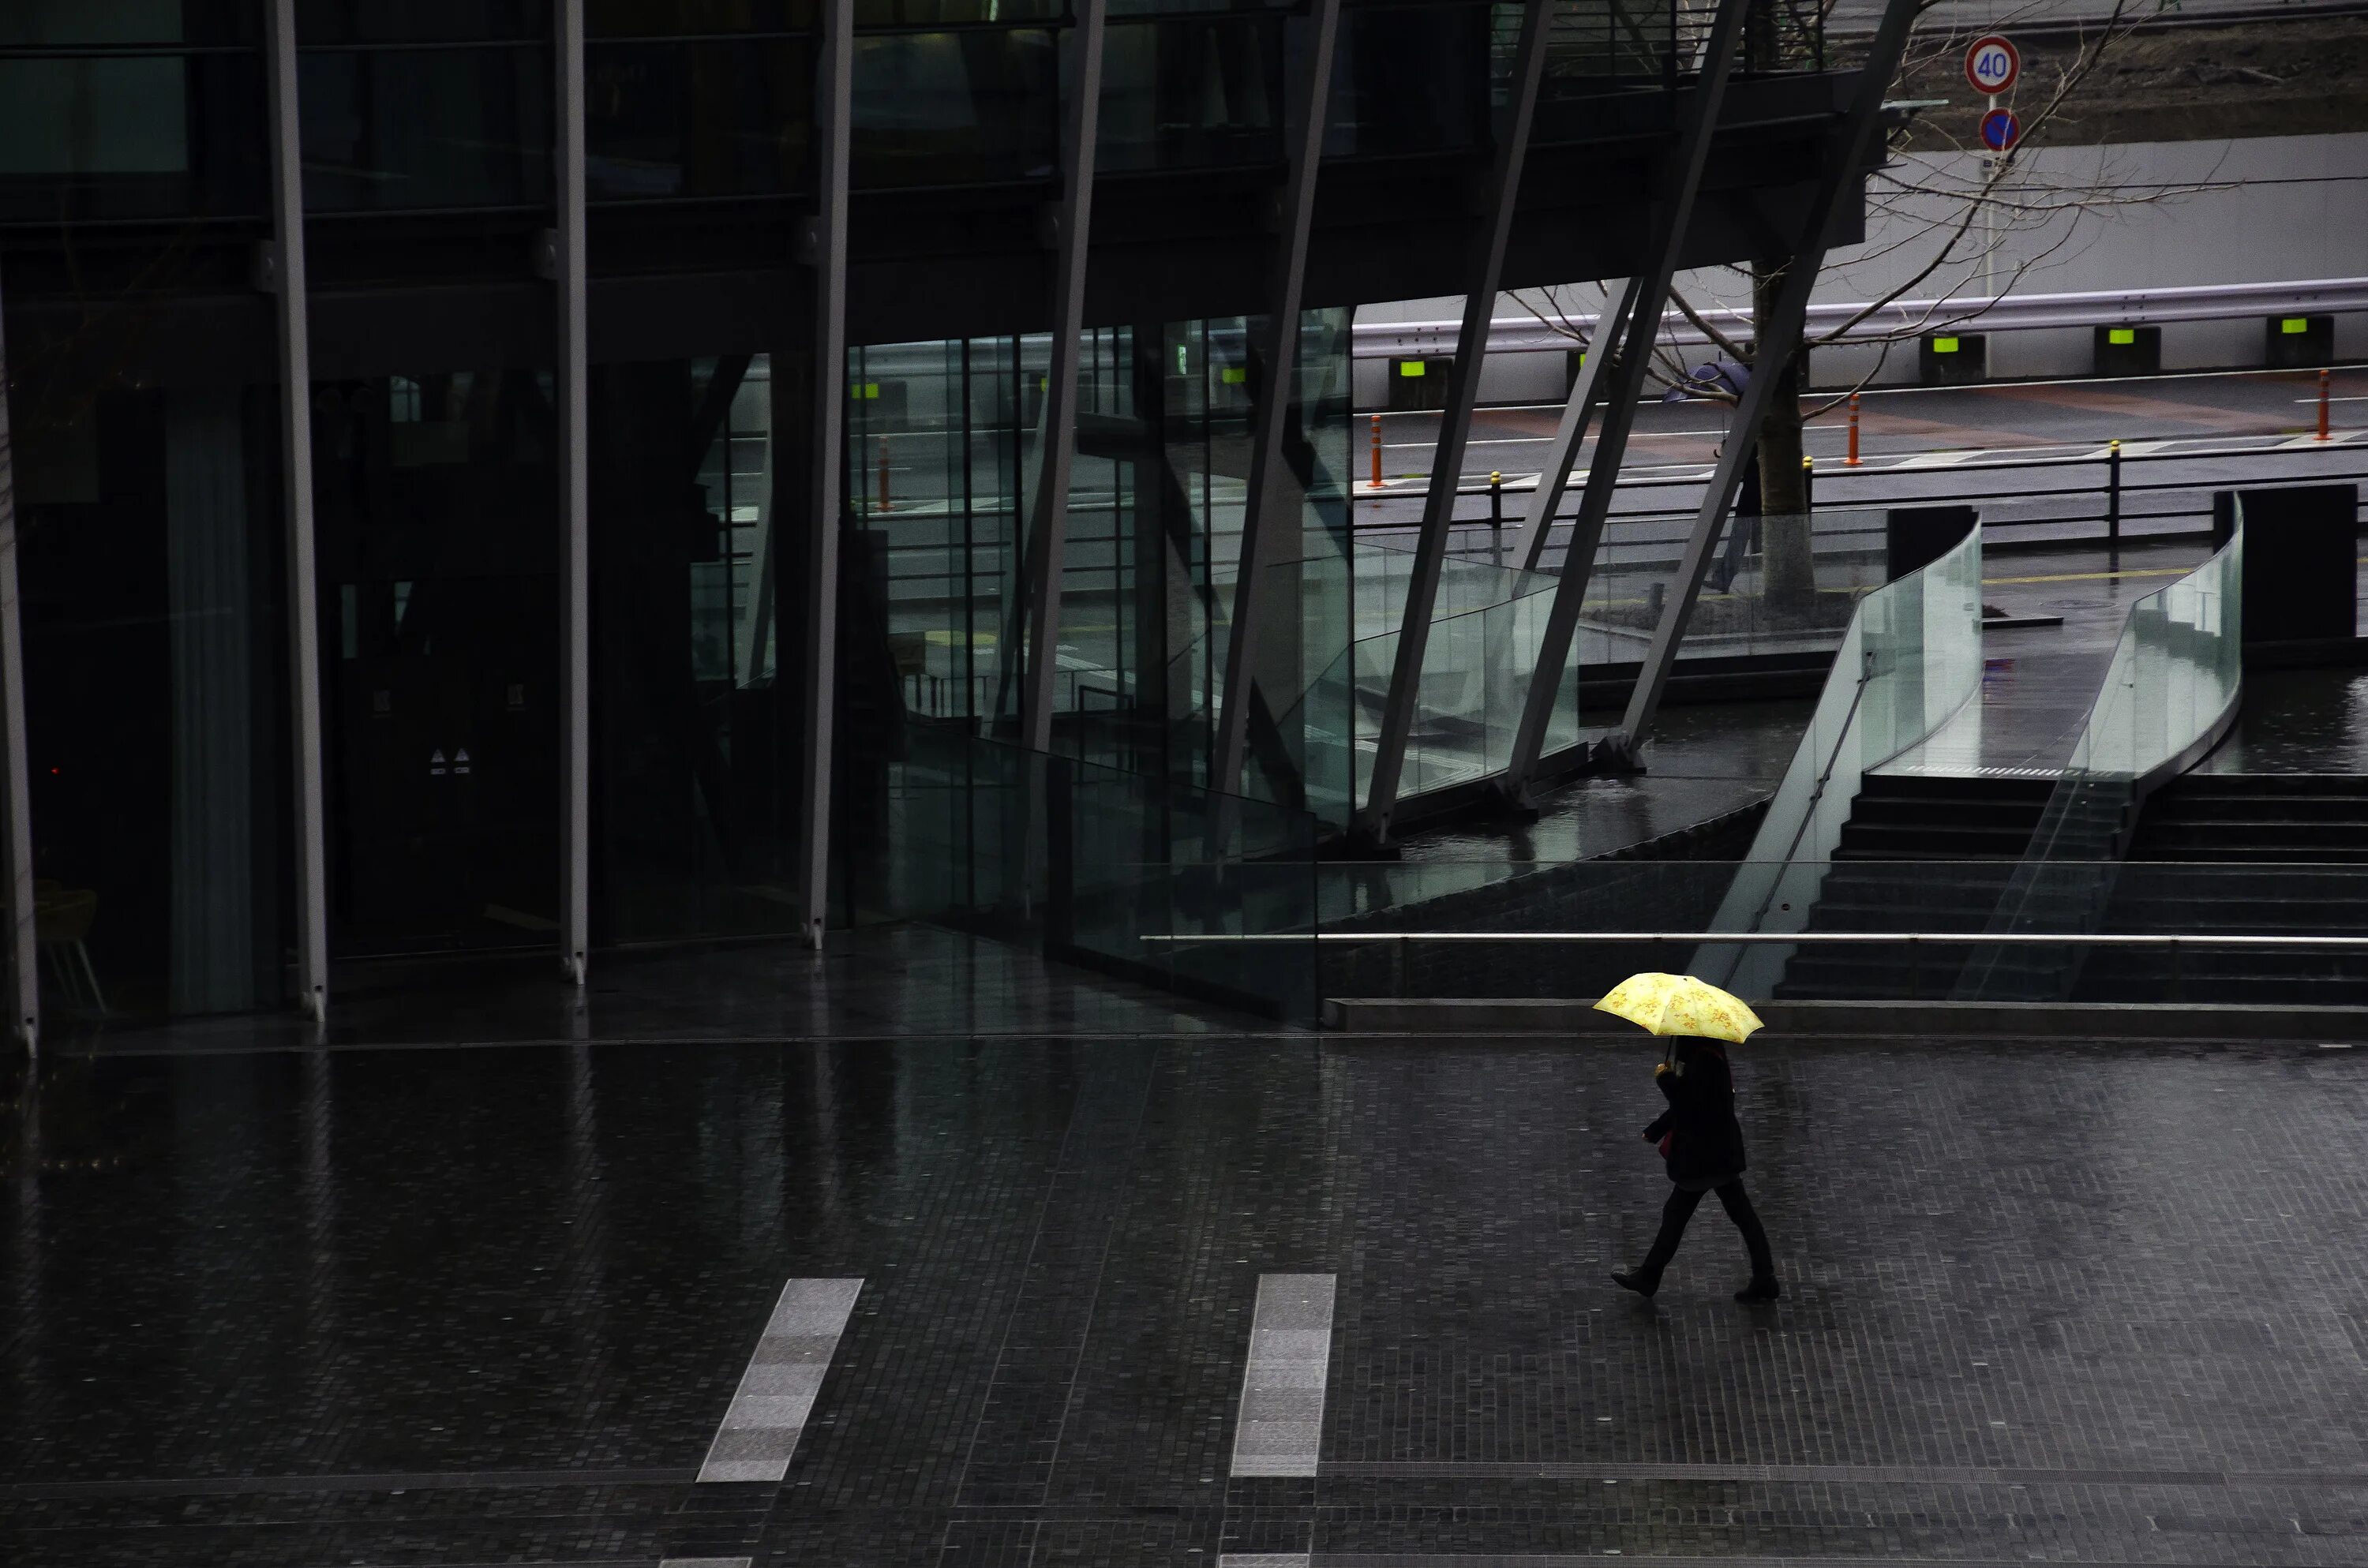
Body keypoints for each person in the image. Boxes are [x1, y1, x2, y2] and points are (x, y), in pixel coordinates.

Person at [1611, 1037, 1779, 1303]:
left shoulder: (1705, 1060)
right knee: (1740, 1217)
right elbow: (1690, 1102)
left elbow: (1691, 1106)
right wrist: (1657, 1127)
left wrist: (1666, 1081)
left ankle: (1649, 1276)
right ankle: (1764, 1278)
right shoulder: (1707, 1054)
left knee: (1677, 1216)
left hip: (1704, 1154)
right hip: (1717, 1152)